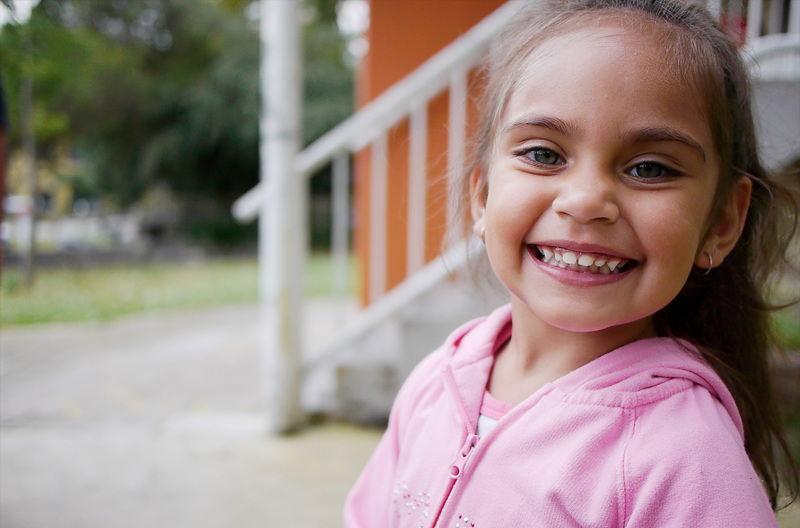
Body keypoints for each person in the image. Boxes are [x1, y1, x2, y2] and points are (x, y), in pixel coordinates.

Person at [344, 0, 800, 526]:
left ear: (721, 221)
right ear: (482, 197)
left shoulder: (686, 457)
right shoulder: (437, 379)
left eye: (649, 168)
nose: (584, 200)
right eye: (543, 154)